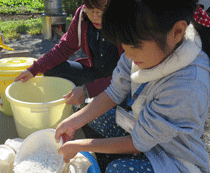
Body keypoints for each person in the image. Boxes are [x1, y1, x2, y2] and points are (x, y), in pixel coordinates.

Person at [55, 0, 210, 173]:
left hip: (174, 156)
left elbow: (138, 142)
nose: (127, 55)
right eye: (124, 45)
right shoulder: (140, 50)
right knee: (93, 114)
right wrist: (73, 121)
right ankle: (135, 160)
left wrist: (81, 145)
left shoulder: (187, 85)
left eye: (134, 46)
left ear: (177, 31)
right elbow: (113, 92)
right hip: (144, 132)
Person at [14, 0, 128, 138]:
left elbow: (128, 76)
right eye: (90, 11)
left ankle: (86, 104)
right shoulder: (81, 16)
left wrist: (87, 91)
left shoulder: (125, 21)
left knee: (115, 116)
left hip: (121, 84)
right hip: (94, 73)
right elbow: (64, 48)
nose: (95, 17)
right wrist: (34, 69)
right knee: (52, 70)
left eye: (100, 12)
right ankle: (77, 104)